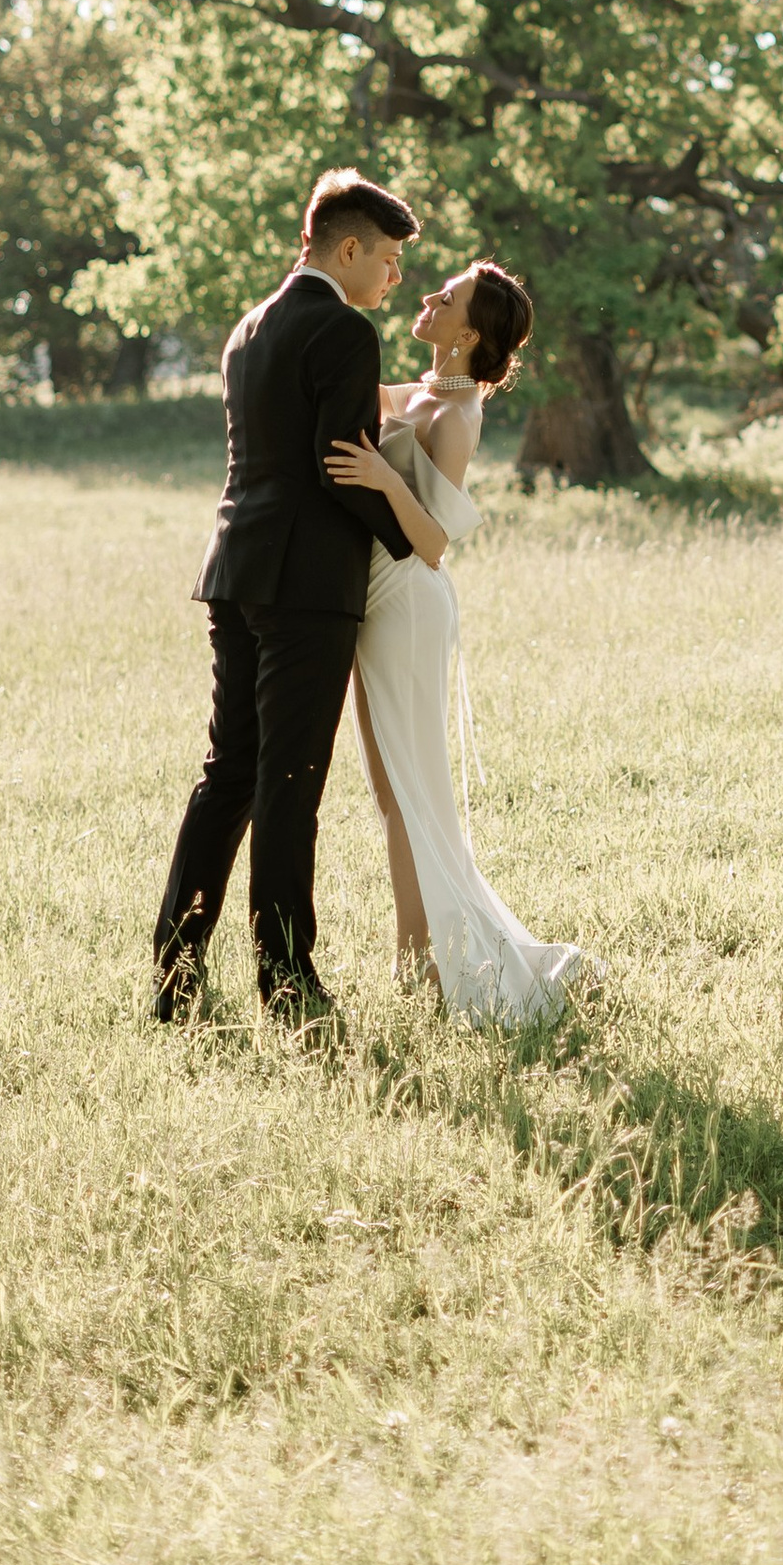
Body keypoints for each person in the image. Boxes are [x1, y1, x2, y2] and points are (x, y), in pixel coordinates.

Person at [153, 169, 420, 1031]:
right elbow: (342, 464)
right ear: (347, 249)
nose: (394, 279)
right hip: (306, 587)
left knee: (228, 774)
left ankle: (175, 972)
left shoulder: (248, 328)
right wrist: (416, 540)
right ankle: (287, 982)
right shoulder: (343, 329)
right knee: (290, 782)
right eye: (387, 259)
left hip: (235, 569)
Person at [326, 256, 595, 1023]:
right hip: (375, 596)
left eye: (446, 297)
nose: (429, 296)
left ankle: (432, 968)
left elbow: (438, 541)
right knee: (391, 793)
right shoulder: (415, 392)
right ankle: (424, 960)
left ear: (469, 333)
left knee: (414, 791)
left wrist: (383, 479)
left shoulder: (457, 415)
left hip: (409, 600)